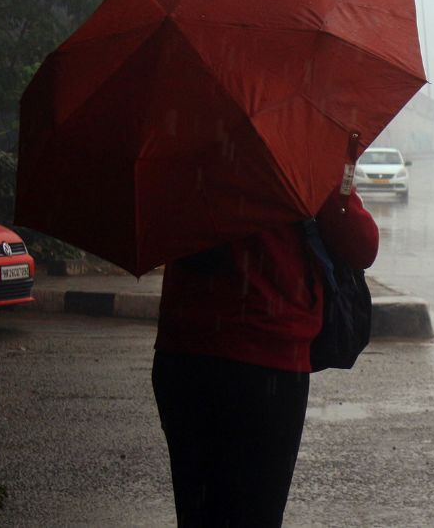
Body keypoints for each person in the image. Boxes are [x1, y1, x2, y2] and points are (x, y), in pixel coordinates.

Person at [152, 188, 378, 527]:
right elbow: (361, 245)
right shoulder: (296, 155)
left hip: (184, 353)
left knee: (198, 509)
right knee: (256, 510)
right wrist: (339, 183)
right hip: (268, 361)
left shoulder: (186, 151)